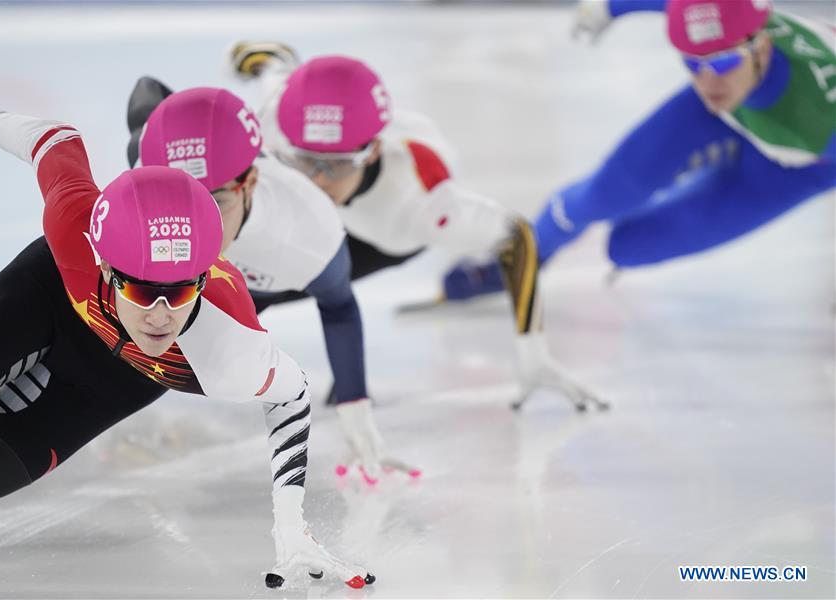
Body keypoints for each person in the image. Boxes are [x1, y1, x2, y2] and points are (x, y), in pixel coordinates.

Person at [0, 107, 374, 589]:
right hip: (45, 299)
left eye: (183, 290)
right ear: (105, 267)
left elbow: (292, 395)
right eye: (144, 291)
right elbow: (53, 141)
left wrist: (291, 527)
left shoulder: (227, 344)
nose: (161, 314)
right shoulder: (75, 225)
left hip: (115, 382)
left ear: (205, 278)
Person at [229, 47, 605, 414]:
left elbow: (516, 235)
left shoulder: (426, 202)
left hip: (384, 234)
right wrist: (268, 62)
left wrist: (533, 352)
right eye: (303, 161)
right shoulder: (276, 120)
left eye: (337, 166)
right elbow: (276, 73)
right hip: (361, 207)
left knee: (268, 287)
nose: (316, 180)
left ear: (373, 151)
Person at [441, 0, 835, 299]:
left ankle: (714, 168)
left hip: (804, 163)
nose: (708, 79)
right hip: (735, 109)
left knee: (630, 248)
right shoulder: (722, 50)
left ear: (763, 47)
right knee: (603, 195)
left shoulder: (817, 118)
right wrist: (609, 7)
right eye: (693, 65)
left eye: (721, 62)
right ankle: (524, 253)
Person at [127, 84, 419, 483]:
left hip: (262, 279)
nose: (198, 218)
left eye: (216, 200)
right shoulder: (144, 164)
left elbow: (338, 306)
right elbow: (146, 91)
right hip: (233, 270)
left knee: (166, 364)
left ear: (247, 184)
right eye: (180, 195)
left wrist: (356, 410)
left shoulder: (310, 236)